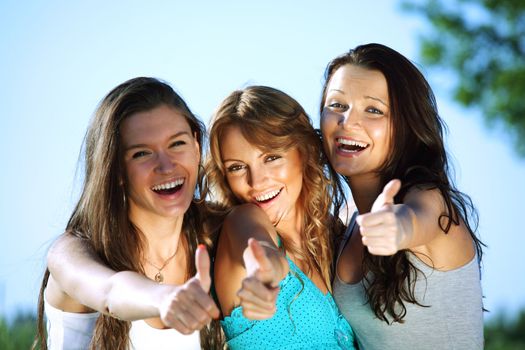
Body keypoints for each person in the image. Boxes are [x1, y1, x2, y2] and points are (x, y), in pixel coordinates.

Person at [34, 77, 222, 350]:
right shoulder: (71, 252)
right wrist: (165, 298)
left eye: (177, 144)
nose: (166, 166)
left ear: (196, 145)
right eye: (142, 154)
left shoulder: (215, 235)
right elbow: (110, 291)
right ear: (117, 171)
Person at [320, 43, 485, 349]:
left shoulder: (431, 200)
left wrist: (398, 228)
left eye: (373, 110)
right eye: (337, 105)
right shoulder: (346, 227)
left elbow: (416, 219)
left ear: (406, 126)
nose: (348, 121)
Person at [207, 85, 355, 349]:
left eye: (271, 157)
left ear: (305, 151)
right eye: (237, 167)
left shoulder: (334, 242)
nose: (256, 181)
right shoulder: (242, 219)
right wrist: (265, 270)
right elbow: (257, 246)